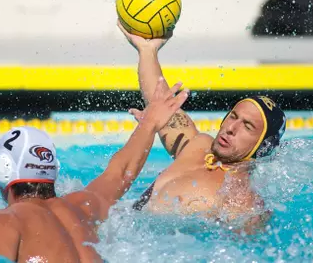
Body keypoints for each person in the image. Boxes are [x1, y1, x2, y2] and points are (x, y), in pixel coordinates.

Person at [0, 78, 189, 262]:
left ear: (4, 169)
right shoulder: (85, 206)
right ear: (53, 168)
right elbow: (120, 173)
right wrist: (149, 123)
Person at [117, 21, 286, 234]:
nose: (231, 127)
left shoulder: (243, 203)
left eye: (248, 126)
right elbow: (159, 103)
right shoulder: (198, 144)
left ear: (263, 146)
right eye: (233, 116)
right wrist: (147, 50)